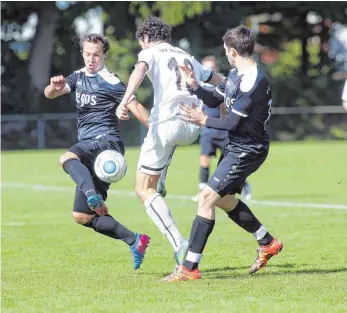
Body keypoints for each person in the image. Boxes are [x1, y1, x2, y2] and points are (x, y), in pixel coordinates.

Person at [163, 26, 283, 282]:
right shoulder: (236, 74)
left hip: (248, 149)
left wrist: (202, 119)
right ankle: (267, 242)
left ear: (231, 51)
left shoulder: (253, 82)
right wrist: (195, 85)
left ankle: (189, 268)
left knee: (206, 198)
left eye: (226, 50)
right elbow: (216, 98)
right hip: (237, 147)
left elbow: (230, 124)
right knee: (223, 199)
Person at [116, 16, 224, 268]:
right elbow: (214, 77)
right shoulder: (186, 55)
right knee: (163, 155)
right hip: (194, 124)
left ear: (144, 38)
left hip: (167, 125)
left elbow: (140, 69)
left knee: (143, 189)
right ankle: (161, 179)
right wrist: (236, 90)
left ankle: (179, 243)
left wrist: (124, 101)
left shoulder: (150, 52)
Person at [44, 34, 150, 270]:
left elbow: (134, 105)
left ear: (105, 55)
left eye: (96, 54)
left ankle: (93, 194)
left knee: (66, 158)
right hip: (89, 147)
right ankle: (135, 240)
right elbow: (49, 94)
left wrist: (154, 131)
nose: (91, 59)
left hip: (106, 143)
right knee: (82, 216)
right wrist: (54, 86)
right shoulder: (78, 76)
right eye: (87, 54)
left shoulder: (110, 81)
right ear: (82, 53)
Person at [192, 55, 252, 202]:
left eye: (211, 68)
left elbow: (227, 106)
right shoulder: (199, 85)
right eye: (205, 67)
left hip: (223, 129)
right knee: (204, 160)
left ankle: (244, 185)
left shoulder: (224, 84)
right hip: (207, 129)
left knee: (228, 163)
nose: (207, 70)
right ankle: (202, 191)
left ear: (216, 69)